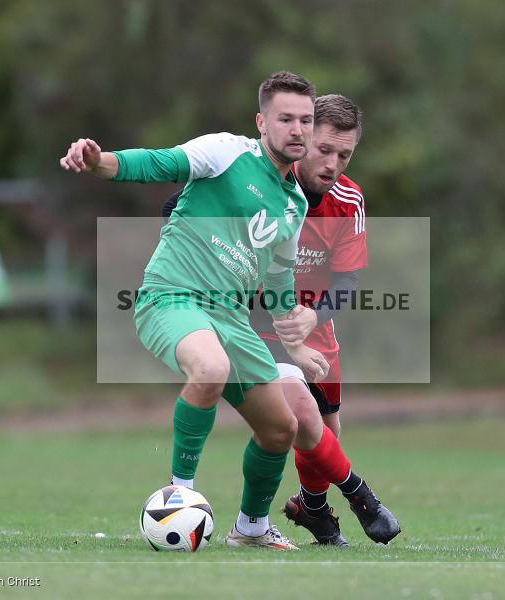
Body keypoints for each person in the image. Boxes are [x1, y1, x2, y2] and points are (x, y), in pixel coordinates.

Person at [60, 71, 329, 550]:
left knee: (281, 428)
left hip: (231, 318)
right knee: (210, 368)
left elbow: (279, 281)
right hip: (173, 295)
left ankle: (250, 529)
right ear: (261, 122)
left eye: (305, 120)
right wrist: (99, 160)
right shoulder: (227, 152)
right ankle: (178, 497)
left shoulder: (293, 202)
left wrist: (298, 346)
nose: (297, 130)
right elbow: (157, 163)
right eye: (285, 118)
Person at [163, 94, 401, 546]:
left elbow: (349, 282)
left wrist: (314, 315)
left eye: (344, 155)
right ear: (301, 139)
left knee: (324, 439)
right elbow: (179, 207)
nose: (332, 164)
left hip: (311, 329)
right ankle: (360, 498)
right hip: (252, 324)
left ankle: (312, 509)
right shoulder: (257, 180)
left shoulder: (348, 200)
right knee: (302, 415)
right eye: (323, 150)